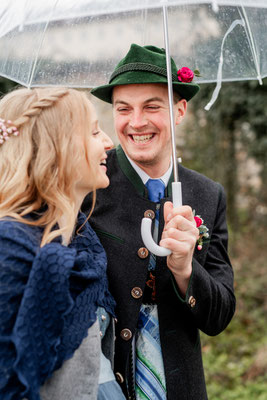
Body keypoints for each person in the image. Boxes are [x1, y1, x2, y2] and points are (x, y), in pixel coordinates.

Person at [82, 44, 236, 400]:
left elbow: (219, 316)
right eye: (124, 109)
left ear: (180, 110)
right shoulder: (87, 183)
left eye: (152, 106)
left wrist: (185, 270)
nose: (136, 122)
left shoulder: (208, 194)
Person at [0, 87, 126, 400]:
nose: (109, 143)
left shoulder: (83, 241)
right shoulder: (9, 247)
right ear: (57, 147)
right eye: (95, 131)